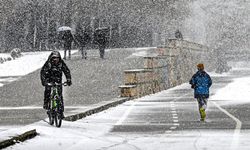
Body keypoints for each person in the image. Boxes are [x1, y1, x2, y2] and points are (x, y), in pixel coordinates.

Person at [40, 51, 72, 118]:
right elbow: (42, 72)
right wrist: (44, 81)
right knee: (48, 91)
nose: (55, 60)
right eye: (54, 58)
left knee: (59, 96)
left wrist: (68, 79)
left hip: (58, 80)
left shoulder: (61, 63)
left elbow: (66, 71)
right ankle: (46, 104)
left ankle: (60, 112)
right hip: (49, 80)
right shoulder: (48, 64)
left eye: (57, 58)